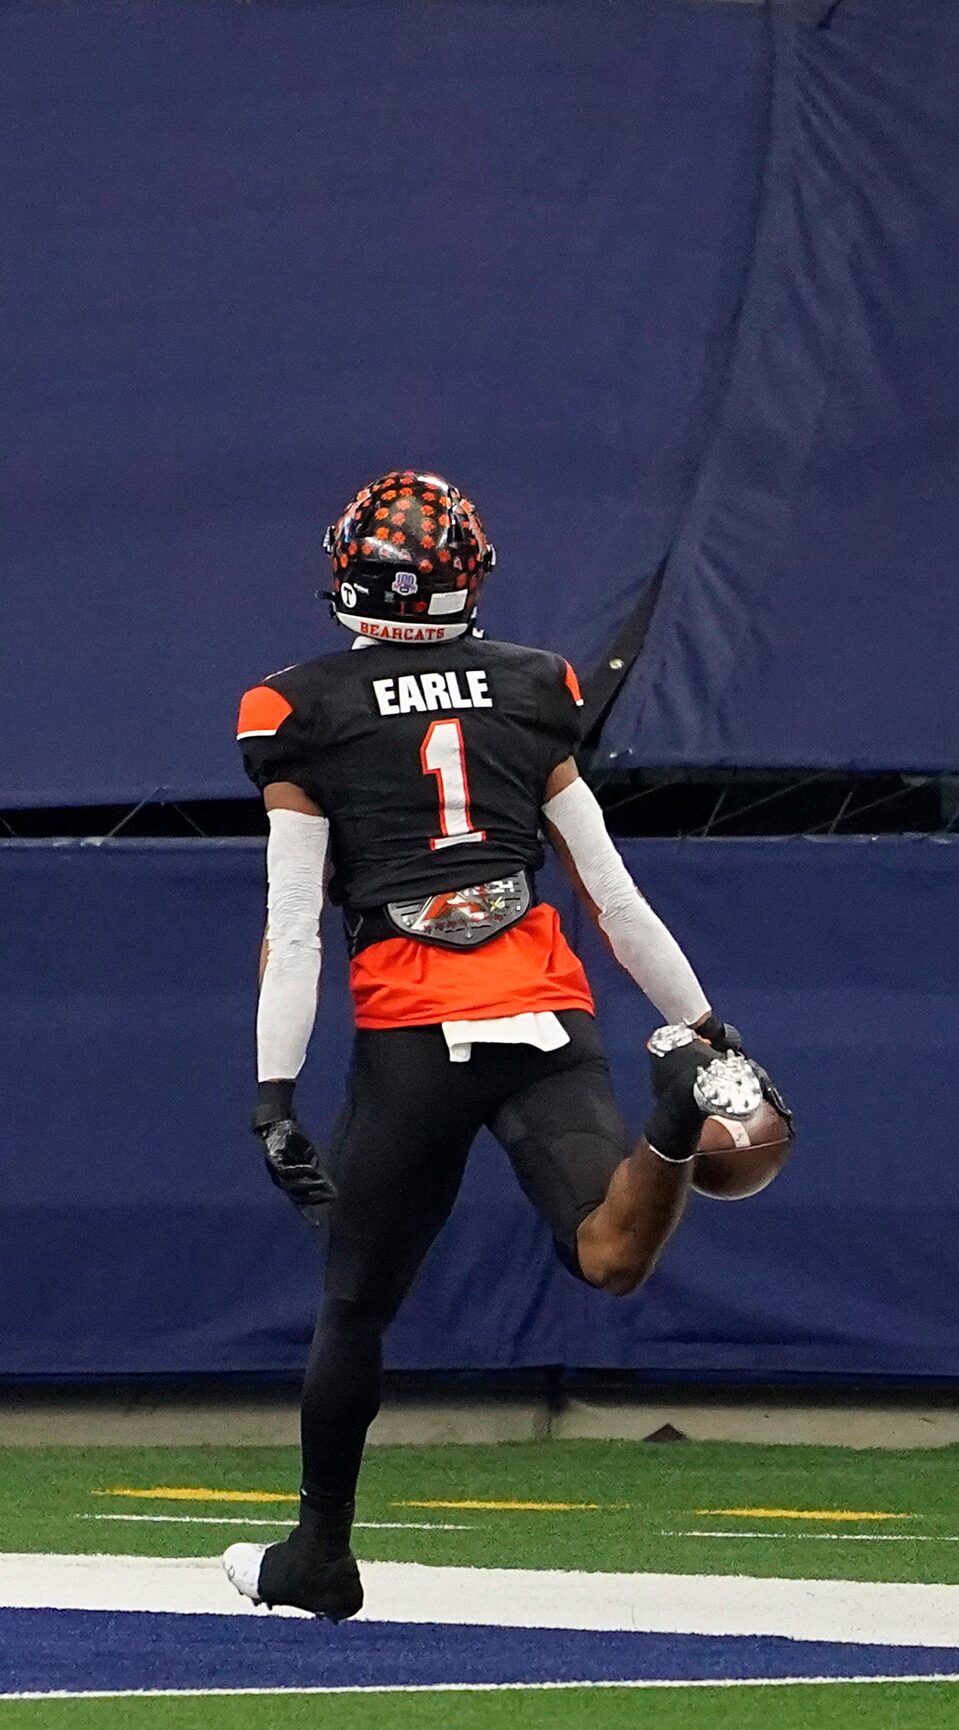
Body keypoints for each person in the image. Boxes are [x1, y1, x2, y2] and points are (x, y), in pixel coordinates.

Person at [224, 470, 779, 1621]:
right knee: (609, 1256)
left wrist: (276, 1093)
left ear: (351, 577)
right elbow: (612, 897)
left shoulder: (295, 707)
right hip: (542, 1005)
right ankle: (671, 1115)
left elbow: (293, 927)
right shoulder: (534, 686)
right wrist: (707, 1028)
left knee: (356, 1306)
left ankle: (319, 1553)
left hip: (416, 1019)